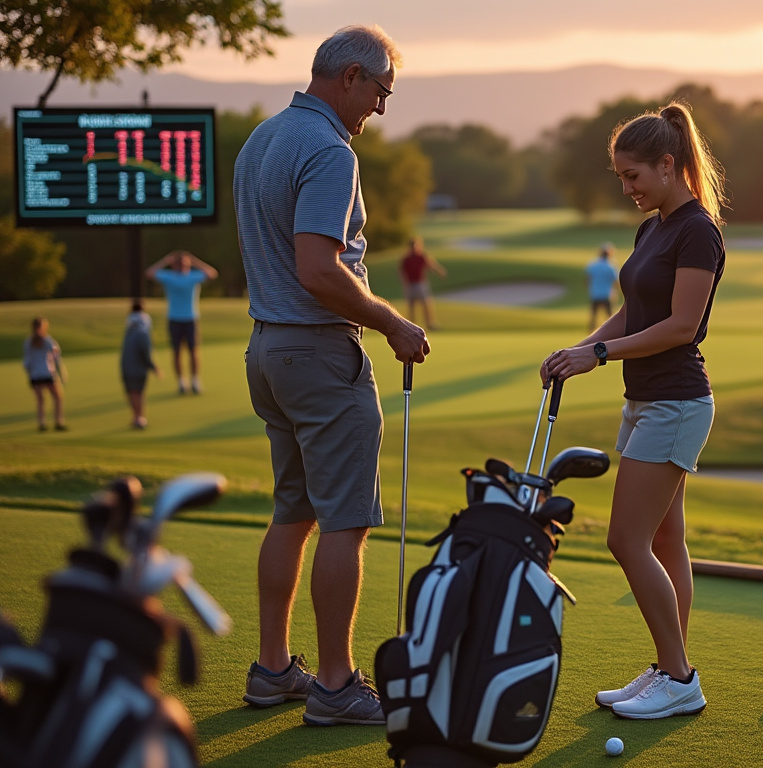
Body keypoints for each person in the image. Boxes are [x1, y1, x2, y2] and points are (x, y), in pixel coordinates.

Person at [232, 24, 429, 727]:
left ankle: (274, 668)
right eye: (381, 91)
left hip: (268, 352)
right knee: (345, 520)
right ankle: (337, 685)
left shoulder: (264, 137)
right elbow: (320, 269)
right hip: (319, 354)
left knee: (294, 509)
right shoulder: (328, 150)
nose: (381, 108)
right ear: (350, 76)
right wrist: (393, 325)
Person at [540, 102, 726, 720]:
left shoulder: (697, 230)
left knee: (627, 540)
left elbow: (680, 326)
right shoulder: (654, 230)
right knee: (667, 540)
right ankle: (670, 666)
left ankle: (679, 677)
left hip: (676, 401)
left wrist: (601, 354)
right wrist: (584, 345)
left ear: (668, 165)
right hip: (646, 399)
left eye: (633, 176)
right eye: (621, 177)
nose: (627, 188)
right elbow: (637, 311)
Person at [145, 250, 217, 394]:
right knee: (177, 352)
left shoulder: (193, 276)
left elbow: (212, 273)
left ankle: (195, 381)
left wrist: (194, 260)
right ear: (174, 265)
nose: (182, 265)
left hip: (191, 319)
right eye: (179, 263)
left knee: (193, 351)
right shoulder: (168, 277)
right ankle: (181, 382)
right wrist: (165, 260)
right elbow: (149, 273)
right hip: (174, 319)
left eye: (185, 263)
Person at [23, 317, 66, 432]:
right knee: (57, 397)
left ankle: (42, 423)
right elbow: (56, 355)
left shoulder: (28, 342)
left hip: (35, 375)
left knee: (40, 400)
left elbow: (27, 362)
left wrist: (29, 373)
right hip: (47, 373)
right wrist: (61, 373)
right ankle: (58, 422)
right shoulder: (47, 340)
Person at [120, 302, 159, 429]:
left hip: (126, 366)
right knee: (138, 393)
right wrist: (154, 367)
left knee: (132, 392)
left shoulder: (129, 327)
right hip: (138, 368)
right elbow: (146, 352)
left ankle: (135, 417)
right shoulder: (143, 328)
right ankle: (139, 418)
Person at [399, 237, 446, 330]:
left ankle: (430, 324)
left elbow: (431, 265)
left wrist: (439, 272)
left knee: (426, 304)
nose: (414, 248)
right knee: (411, 306)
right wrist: (404, 284)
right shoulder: (406, 259)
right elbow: (402, 273)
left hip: (420, 283)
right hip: (410, 284)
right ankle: (411, 325)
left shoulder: (422, 257)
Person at [585, 242, 620, 331]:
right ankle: (613, 332)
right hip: (607, 294)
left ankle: (590, 336)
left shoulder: (593, 265)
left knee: (593, 317)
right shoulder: (611, 266)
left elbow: (588, 279)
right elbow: (615, 281)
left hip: (595, 294)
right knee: (610, 318)